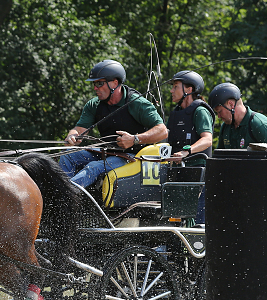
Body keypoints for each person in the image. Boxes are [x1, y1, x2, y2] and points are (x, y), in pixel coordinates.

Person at [61, 59, 168, 187]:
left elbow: (162, 131)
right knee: (67, 155)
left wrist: (134, 139)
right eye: (94, 84)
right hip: (105, 152)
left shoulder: (137, 103)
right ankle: (62, 193)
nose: (95, 88)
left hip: (131, 157)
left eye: (100, 83)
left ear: (115, 83)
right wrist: (72, 135)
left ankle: (66, 195)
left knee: (93, 167)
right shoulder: (94, 105)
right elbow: (80, 129)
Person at [166, 70, 214, 224]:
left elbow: (207, 140)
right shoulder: (175, 114)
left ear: (189, 89)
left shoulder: (200, 111)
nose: (171, 91)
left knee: (195, 218)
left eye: (175, 86)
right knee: (175, 215)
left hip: (197, 172)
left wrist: (186, 151)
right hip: (178, 171)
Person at [208, 83, 267, 149]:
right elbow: (220, 156)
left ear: (231, 104)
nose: (219, 116)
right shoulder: (225, 127)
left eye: (219, 111)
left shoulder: (259, 125)